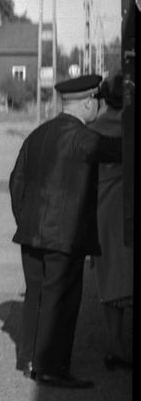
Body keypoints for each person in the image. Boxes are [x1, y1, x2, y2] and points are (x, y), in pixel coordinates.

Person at [9, 74, 123, 389]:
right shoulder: (81, 137)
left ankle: (30, 360)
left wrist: (25, 221)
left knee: (37, 295)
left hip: (31, 235)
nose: (99, 107)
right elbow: (119, 150)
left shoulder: (38, 134)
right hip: (63, 238)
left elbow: (16, 182)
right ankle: (52, 369)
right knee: (62, 301)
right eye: (97, 102)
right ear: (87, 103)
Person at [90, 73, 132, 370]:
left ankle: (115, 344)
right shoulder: (130, 127)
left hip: (104, 213)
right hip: (125, 210)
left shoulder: (93, 128)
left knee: (112, 279)